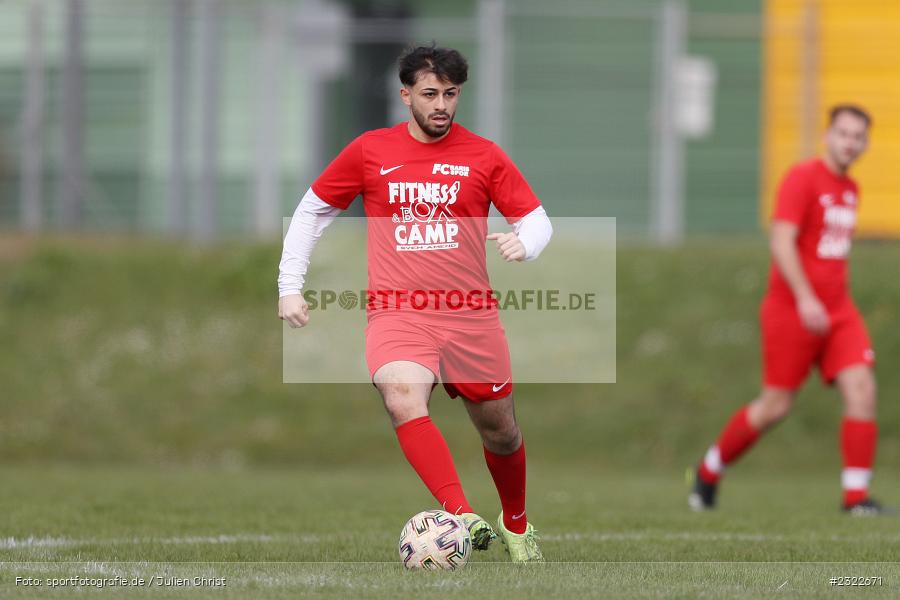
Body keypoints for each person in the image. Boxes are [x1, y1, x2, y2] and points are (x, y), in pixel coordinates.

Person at [278, 44, 552, 560]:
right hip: (398, 311)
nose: (441, 105)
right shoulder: (370, 151)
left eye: (450, 94)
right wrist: (289, 285)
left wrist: (527, 243)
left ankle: (516, 524)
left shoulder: (484, 155)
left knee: (501, 432)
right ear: (406, 96)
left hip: (471, 316)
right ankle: (461, 515)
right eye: (430, 94)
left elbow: (536, 219)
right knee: (402, 396)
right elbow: (312, 211)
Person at [690, 105, 889, 515]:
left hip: (839, 312)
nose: (850, 142)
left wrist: (829, 300)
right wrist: (805, 297)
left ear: (865, 144)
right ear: (827, 135)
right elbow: (782, 241)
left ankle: (856, 498)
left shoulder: (850, 189)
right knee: (775, 407)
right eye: (843, 133)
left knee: (863, 389)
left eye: (858, 136)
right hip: (793, 309)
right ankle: (709, 470)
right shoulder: (802, 178)